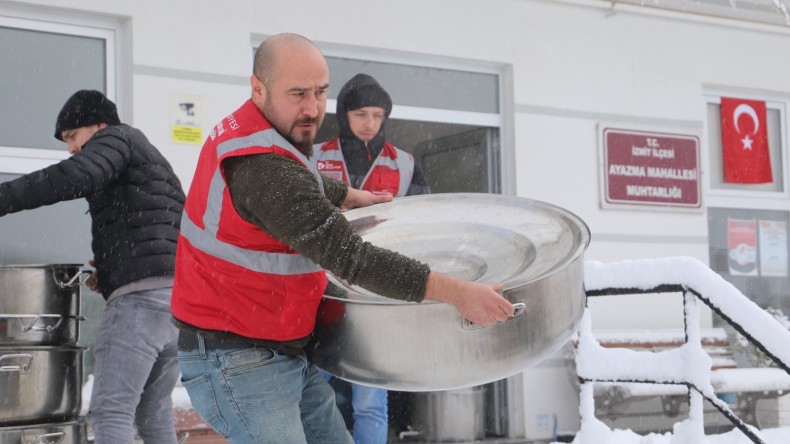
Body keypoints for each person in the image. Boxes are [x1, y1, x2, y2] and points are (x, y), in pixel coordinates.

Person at [170, 33, 514, 444]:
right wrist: (456, 292)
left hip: (276, 341)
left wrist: (347, 194)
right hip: (237, 357)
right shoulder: (262, 166)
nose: (313, 108)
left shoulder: (260, 130)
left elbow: (300, 176)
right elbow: (352, 258)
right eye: (298, 93)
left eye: (320, 92)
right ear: (257, 88)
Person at [0, 90, 185, 444]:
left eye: (73, 136)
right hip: (176, 305)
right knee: (153, 413)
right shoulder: (150, 161)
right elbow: (168, 228)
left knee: (110, 413)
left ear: (99, 125)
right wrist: (114, 270)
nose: (70, 148)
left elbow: (74, 176)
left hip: (140, 305)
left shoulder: (116, 137)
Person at [311, 73, 430, 444]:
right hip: (322, 289)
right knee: (314, 389)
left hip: (377, 292)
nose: (369, 124)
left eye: (378, 115)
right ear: (344, 113)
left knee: (371, 400)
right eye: (361, 113)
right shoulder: (314, 155)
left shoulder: (405, 164)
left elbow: (425, 228)